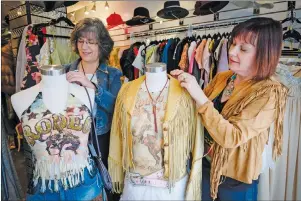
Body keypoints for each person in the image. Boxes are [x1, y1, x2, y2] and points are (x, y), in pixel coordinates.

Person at [171, 17, 288, 201]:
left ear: (265, 53)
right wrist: (183, 89)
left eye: (243, 49)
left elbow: (231, 137)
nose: (232, 51)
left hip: (235, 182)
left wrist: (198, 94)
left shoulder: (269, 93)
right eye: (233, 44)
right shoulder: (224, 77)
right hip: (204, 167)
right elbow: (199, 113)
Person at [64, 18, 122, 169]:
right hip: (71, 139)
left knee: (102, 184)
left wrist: (93, 87)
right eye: (81, 41)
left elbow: (117, 108)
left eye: (90, 41)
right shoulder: (65, 72)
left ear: (102, 45)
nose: (84, 46)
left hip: (101, 139)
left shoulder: (113, 74)